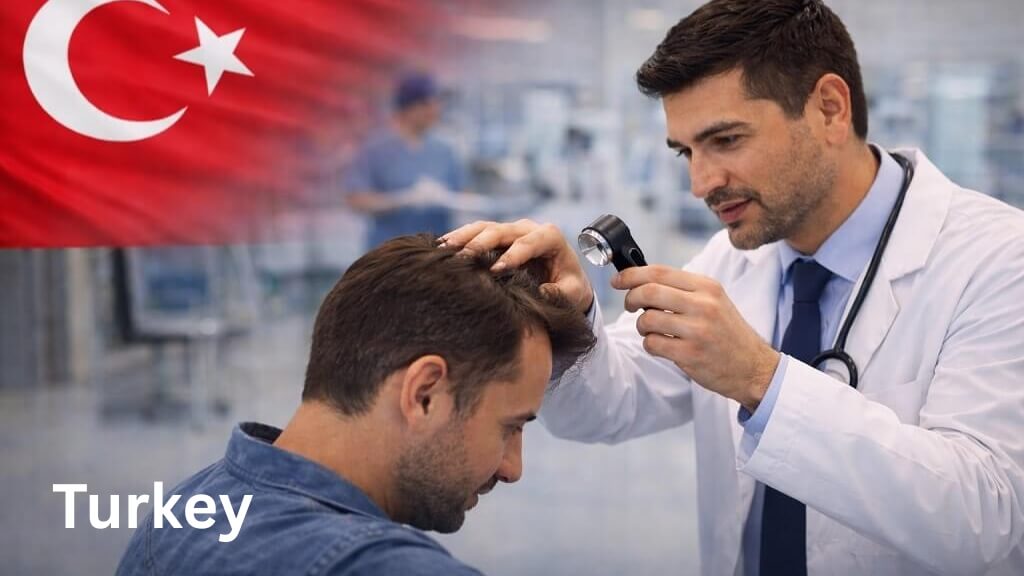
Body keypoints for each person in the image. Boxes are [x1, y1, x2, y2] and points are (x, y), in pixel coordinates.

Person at [441, 1, 1024, 575]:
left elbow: (987, 518)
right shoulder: (733, 259)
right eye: (686, 152)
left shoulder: (997, 259)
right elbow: (607, 407)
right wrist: (570, 316)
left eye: (725, 140)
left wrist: (760, 380)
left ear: (829, 109)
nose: (700, 183)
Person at [115, 235, 596, 575]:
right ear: (424, 394)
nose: (513, 469)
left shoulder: (181, 513)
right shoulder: (382, 566)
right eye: (510, 427)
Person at [344, 72, 468, 249]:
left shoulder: (444, 150)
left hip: (437, 251)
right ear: (409, 107)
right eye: (427, 104)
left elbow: (464, 195)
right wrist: (402, 200)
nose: (435, 110)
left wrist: (446, 198)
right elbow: (356, 200)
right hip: (389, 251)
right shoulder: (375, 150)